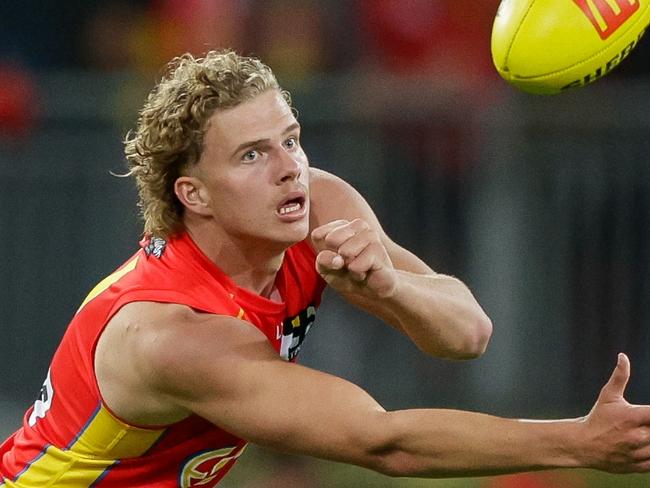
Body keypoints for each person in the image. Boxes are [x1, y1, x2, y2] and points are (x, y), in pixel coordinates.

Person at [1, 49, 649, 488]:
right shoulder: (174, 333)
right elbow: (383, 443)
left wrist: (392, 290)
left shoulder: (317, 203)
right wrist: (580, 443)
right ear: (192, 194)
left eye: (290, 138)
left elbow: (467, 334)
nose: (289, 166)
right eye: (252, 155)